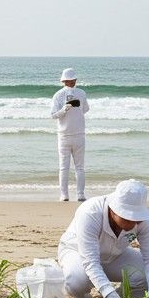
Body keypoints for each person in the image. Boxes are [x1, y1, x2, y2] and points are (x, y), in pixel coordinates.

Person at [59, 179, 149, 298]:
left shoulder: (144, 219)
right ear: (113, 210)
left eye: (137, 218)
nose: (135, 223)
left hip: (115, 255)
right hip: (77, 252)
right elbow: (90, 261)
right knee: (76, 280)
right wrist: (111, 296)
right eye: (128, 217)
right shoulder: (90, 212)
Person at [50, 68, 90, 201]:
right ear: (66, 81)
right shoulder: (64, 94)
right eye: (70, 80)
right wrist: (65, 110)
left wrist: (68, 111)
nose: (72, 82)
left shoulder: (76, 93)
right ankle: (72, 194)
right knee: (71, 167)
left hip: (73, 135)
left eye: (73, 80)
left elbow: (85, 109)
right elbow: (53, 115)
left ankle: (73, 194)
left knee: (72, 167)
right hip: (70, 135)